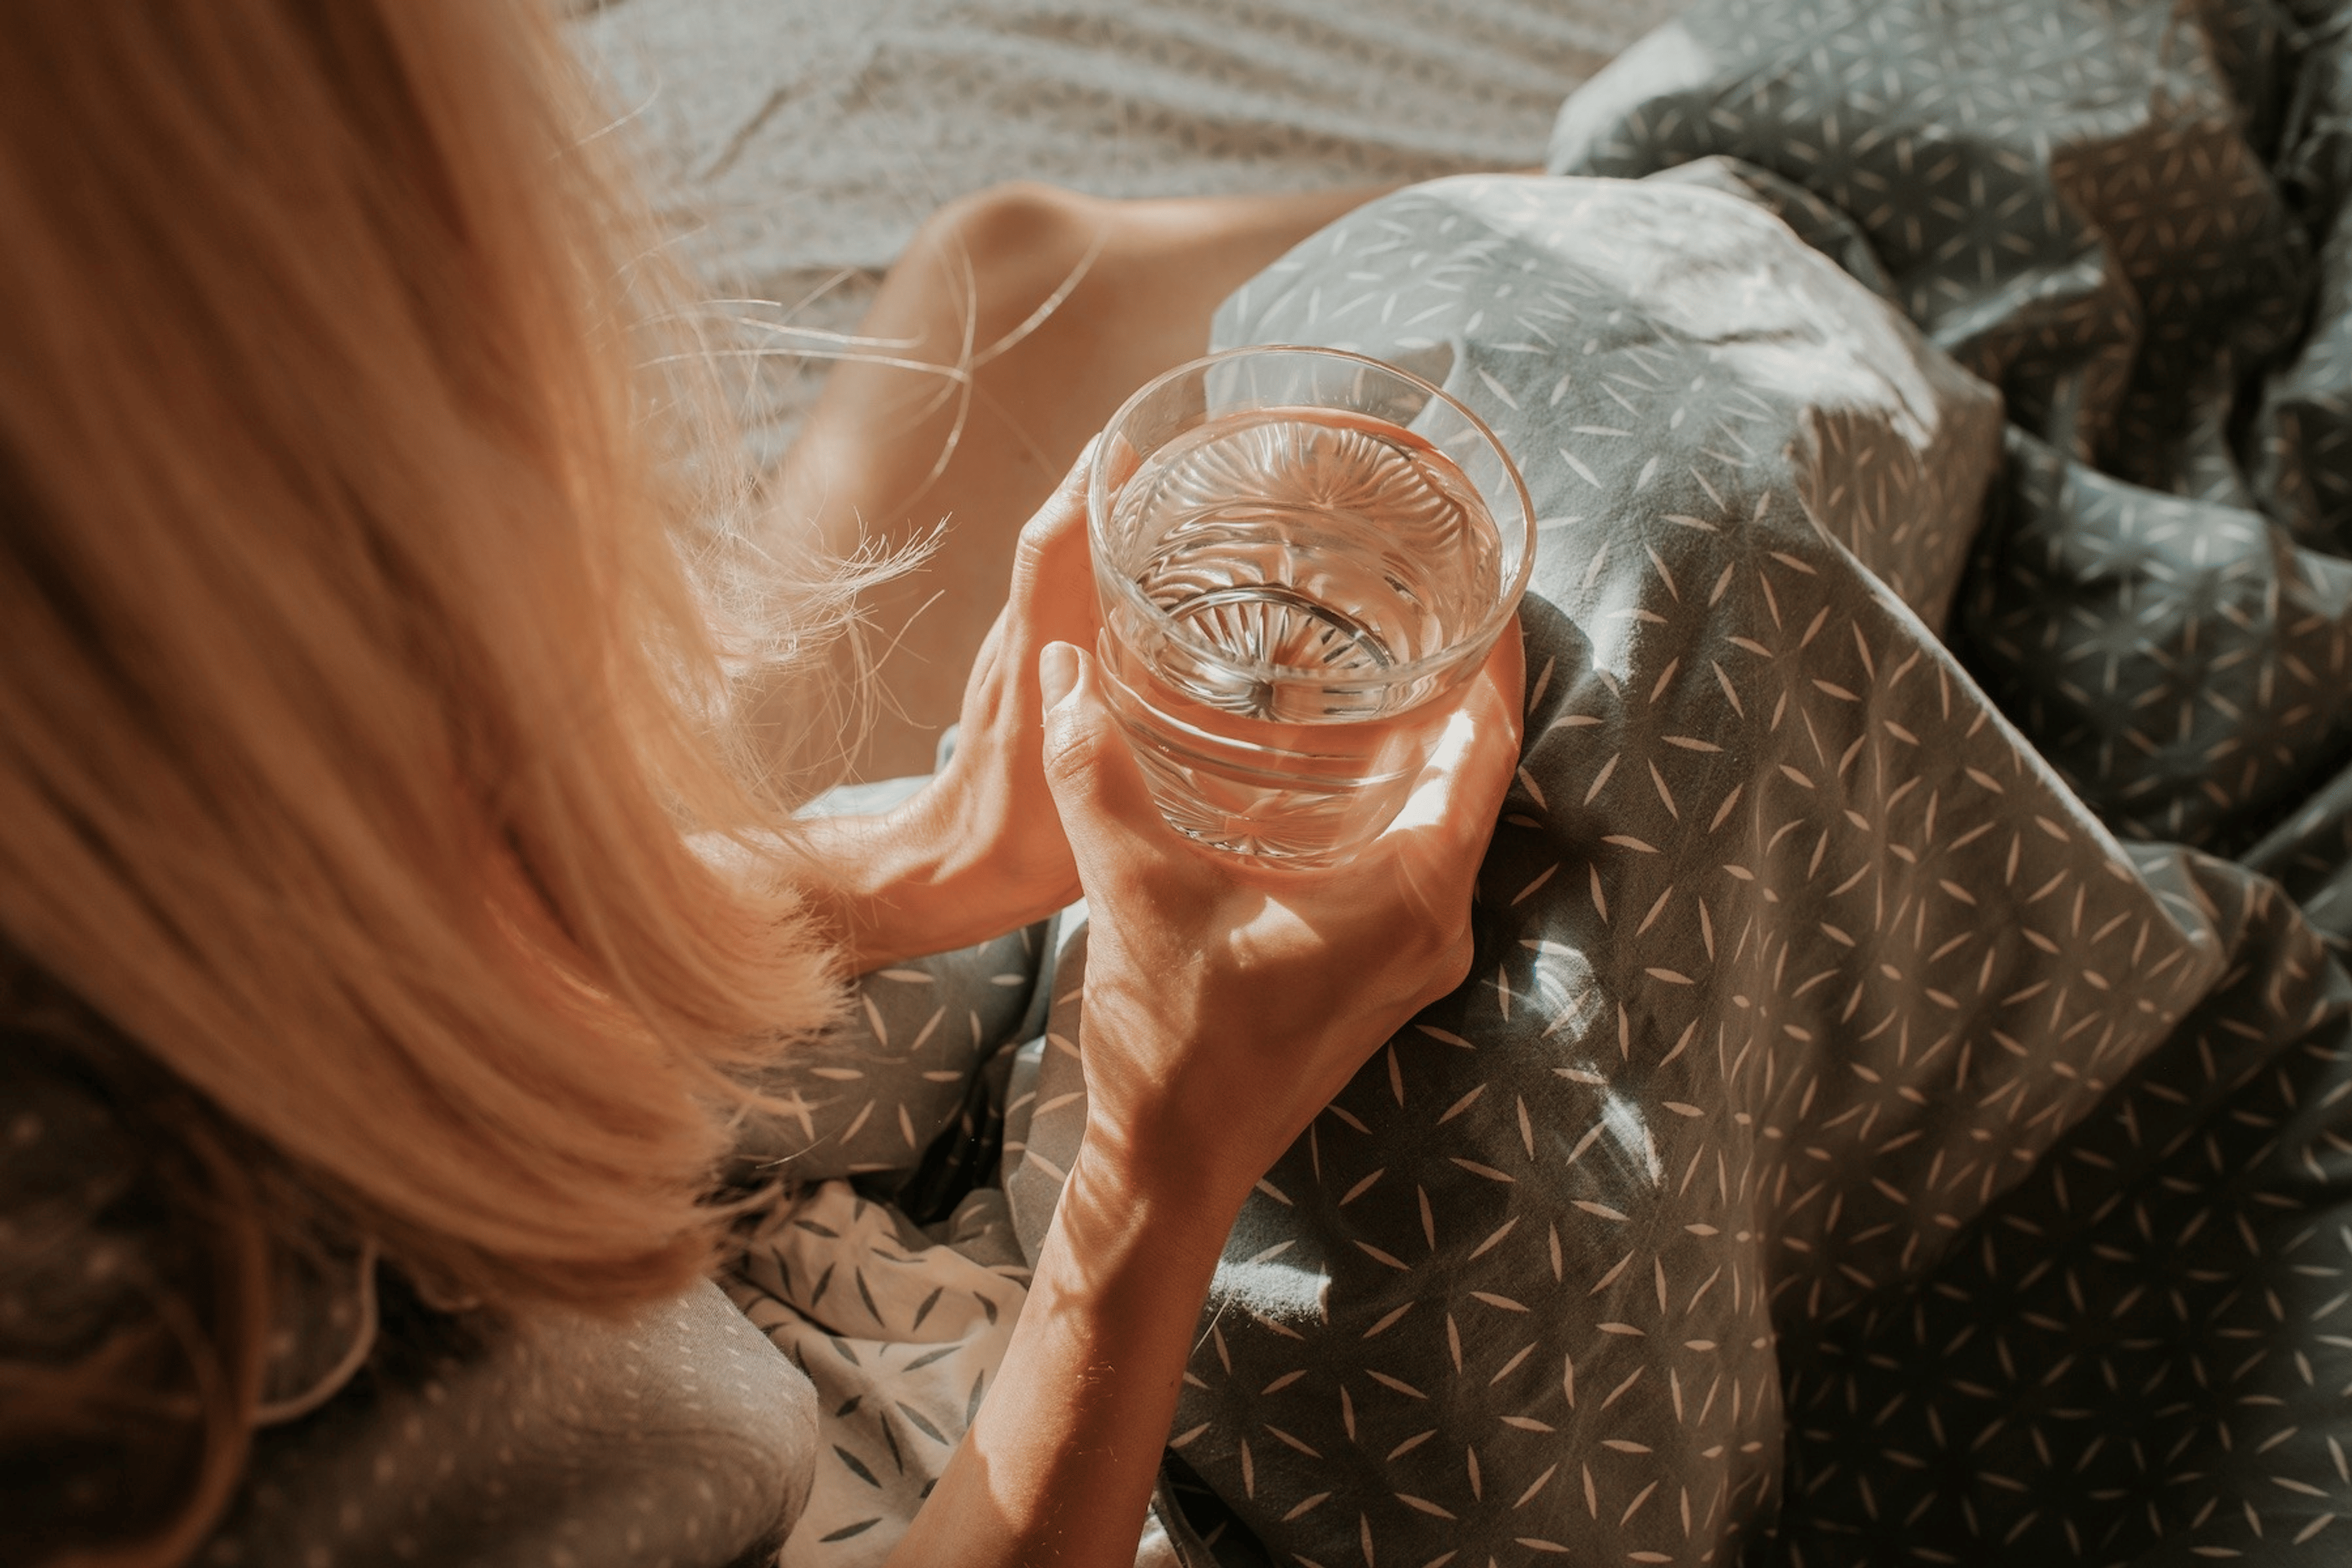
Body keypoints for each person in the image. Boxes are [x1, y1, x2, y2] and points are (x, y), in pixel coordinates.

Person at [0, 2, 1519, 1564]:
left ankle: (1650, 206)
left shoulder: (131, 819)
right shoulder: (149, 1394)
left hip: (661, 1252)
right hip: (926, 1481)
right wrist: (1161, 1156)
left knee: (1011, 272)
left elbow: (362, 976)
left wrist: (920, 860)